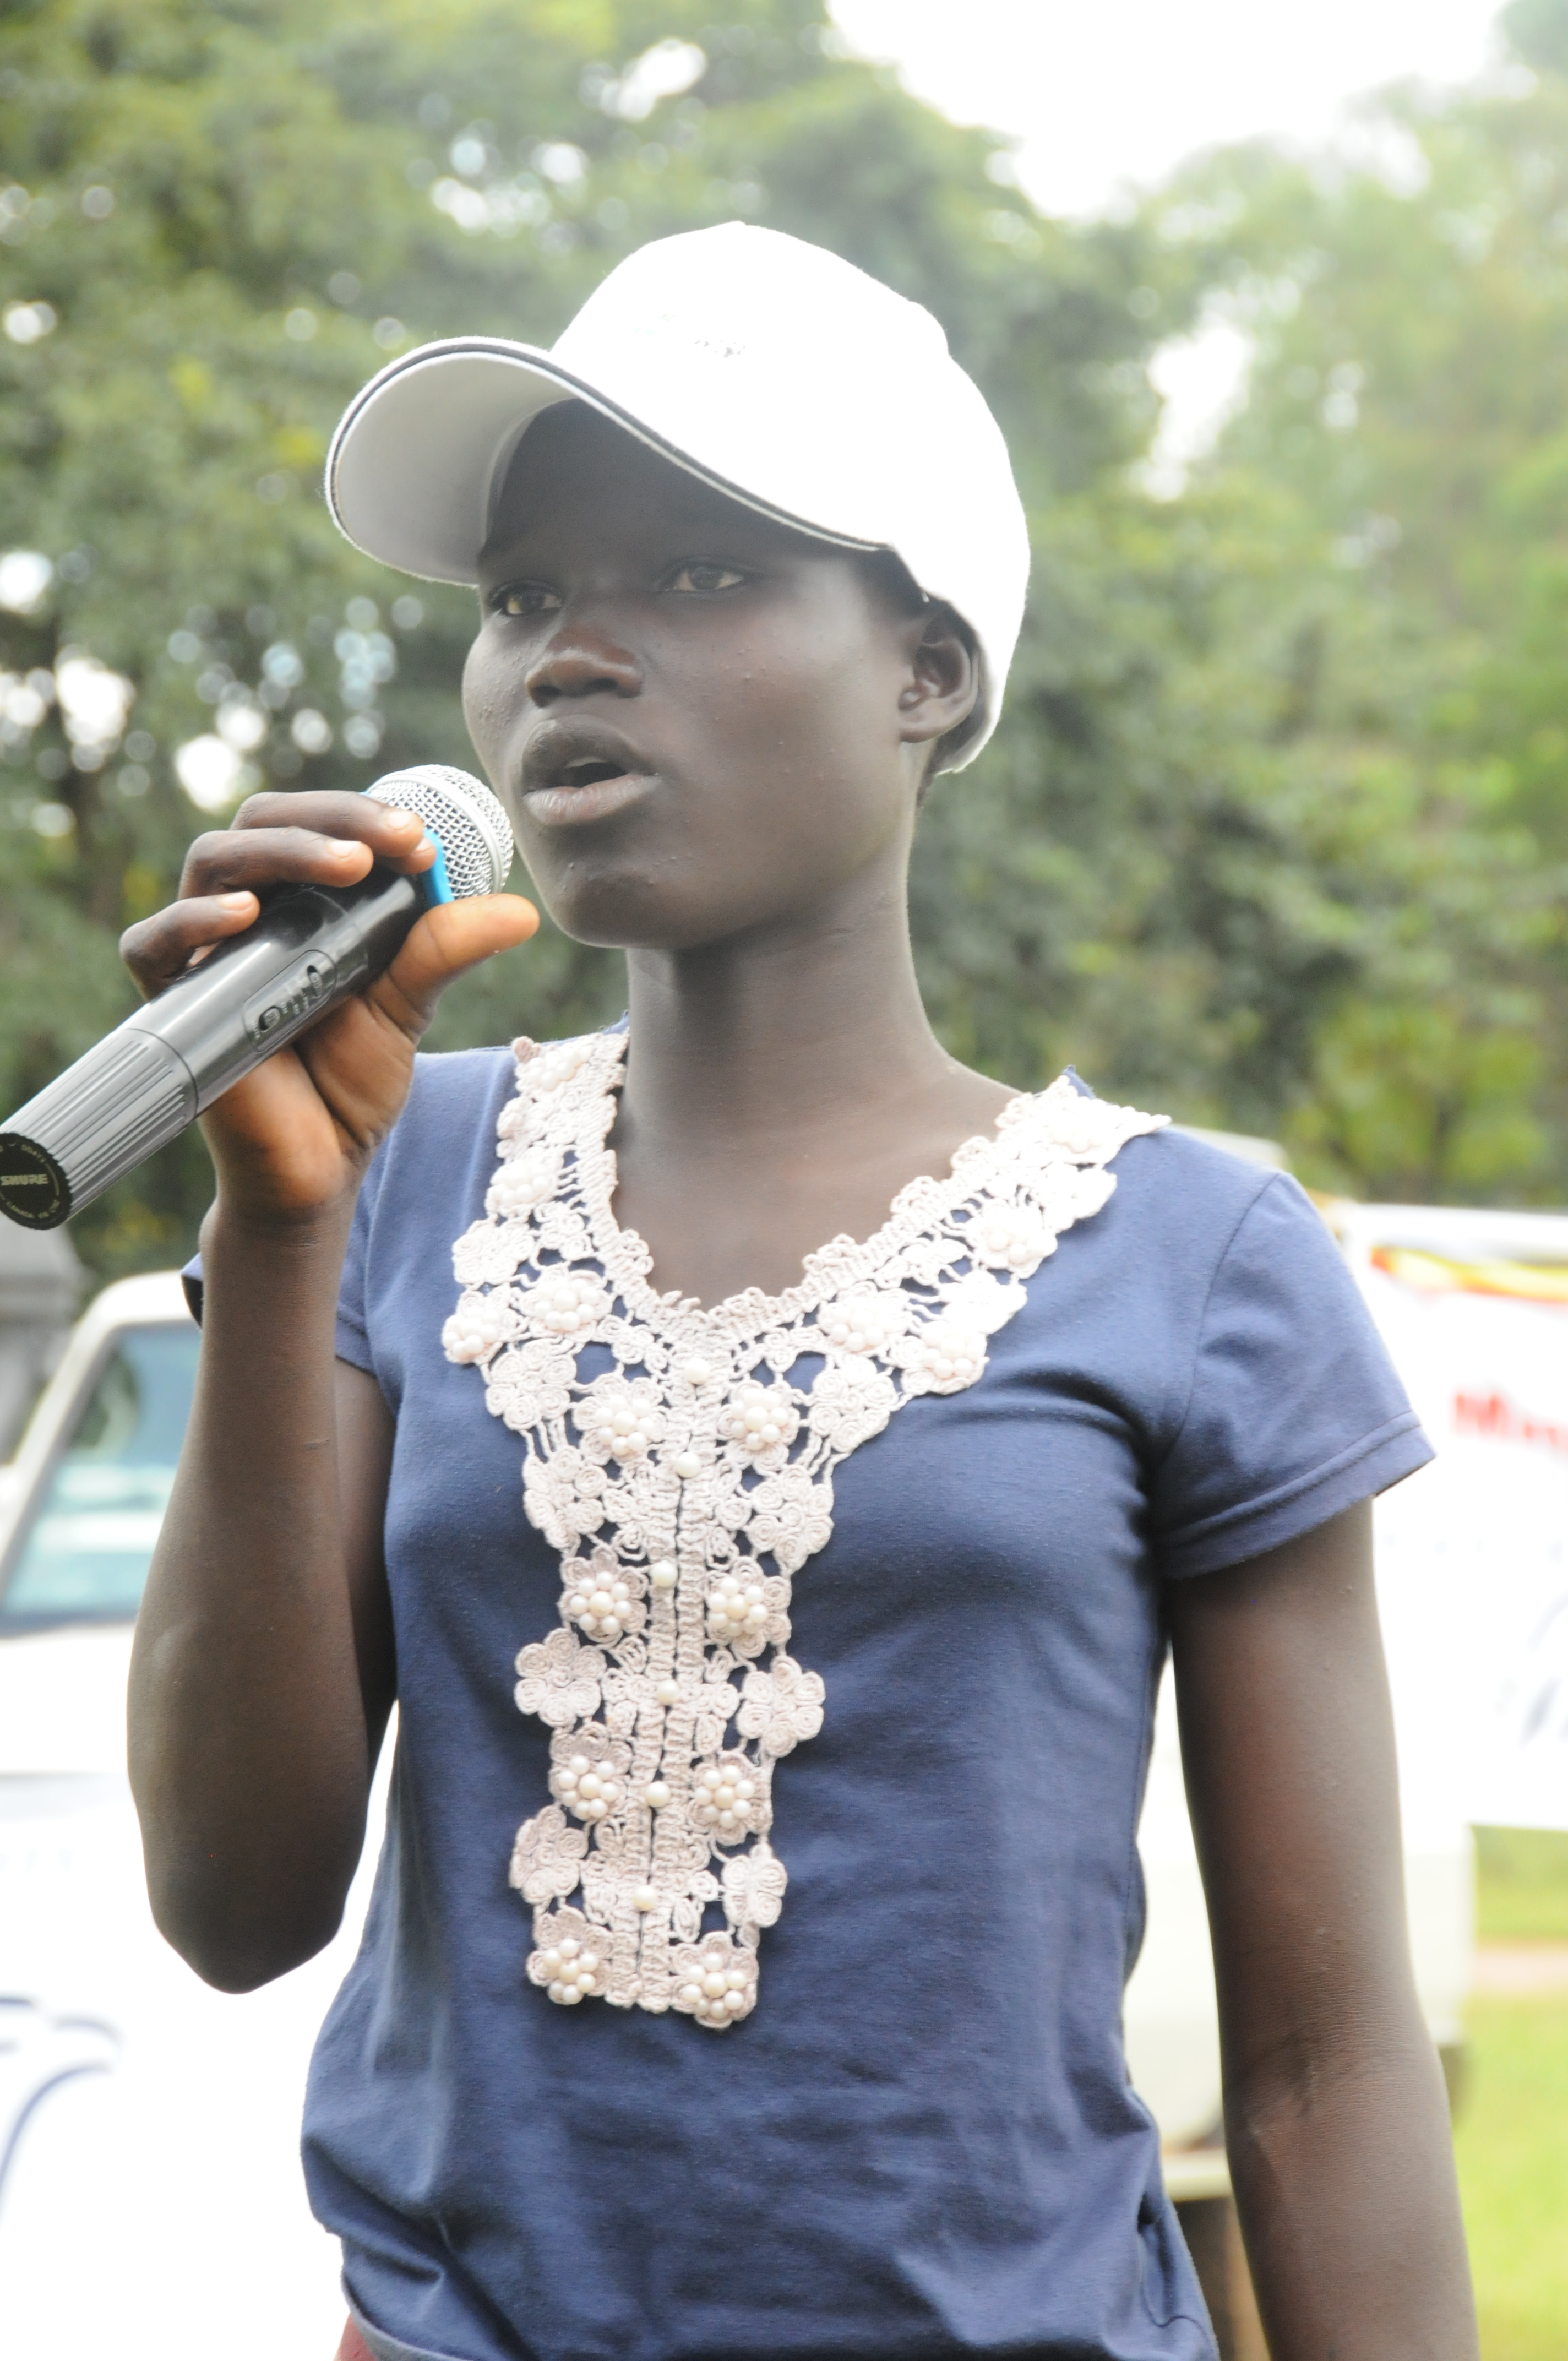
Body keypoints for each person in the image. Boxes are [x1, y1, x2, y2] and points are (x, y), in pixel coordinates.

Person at [125, 225, 1478, 2361]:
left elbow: (1324, 2068)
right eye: (522, 597)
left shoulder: (1194, 1255)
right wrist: (282, 1228)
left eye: (693, 575)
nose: (570, 650)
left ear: (927, 668)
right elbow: (231, 1900)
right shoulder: (402, 1178)